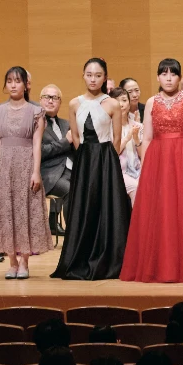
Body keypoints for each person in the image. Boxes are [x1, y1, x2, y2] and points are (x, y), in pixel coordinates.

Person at [121, 58, 183, 283]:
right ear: (158, 77)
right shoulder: (151, 102)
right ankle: (160, 266)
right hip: (158, 161)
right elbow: (147, 138)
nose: (168, 78)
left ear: (179, 77)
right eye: (164, 74)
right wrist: (146, 170)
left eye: (173, 74)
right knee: (162, 211)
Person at [51, 58, 132, 281]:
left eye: (98, 75)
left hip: (106, 160)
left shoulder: (112, 104)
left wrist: (106, 161)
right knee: (85, 206)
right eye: (89, 75)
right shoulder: (74, 103)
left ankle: (108, 257)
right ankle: (81, 256)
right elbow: (76, 137)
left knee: (106, 206)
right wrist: (86, 158)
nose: (93, 79)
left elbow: (117, 139)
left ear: (104, 77)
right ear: (83, 76)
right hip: (85, 160)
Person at [0, 66, 54, 280]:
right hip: (4, 165)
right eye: (9, 81)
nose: (13, 85)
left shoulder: (36, 111)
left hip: (26, 164)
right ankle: (12, 262)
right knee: (6, 212)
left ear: (26, 85)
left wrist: (36, 172)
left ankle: (24, 262)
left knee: (25, 211)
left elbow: (37, 144)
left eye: (17, 81)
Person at [40, 84, 73, 237]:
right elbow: (40, 151)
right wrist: (66, 142)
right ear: (40, 100)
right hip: (49, 174)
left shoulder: (67, 124)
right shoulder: (36, 124)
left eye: (55, 98)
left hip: (71, 170)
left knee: (91, 187)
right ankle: (74, 236)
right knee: (71, 191)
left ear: (60, 102)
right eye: (47, 97)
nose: (51, 101)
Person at [109, 88, 143, 202]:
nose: (121, 104)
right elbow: (113, 153)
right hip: (118, 172)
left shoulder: (138, 126)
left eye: (124, 100)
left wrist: (136, 139)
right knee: (136, 187)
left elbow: (143, 155)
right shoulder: (108, 127)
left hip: (138, 170)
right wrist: (127, 138)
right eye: (116, 101)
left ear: (129, 103)